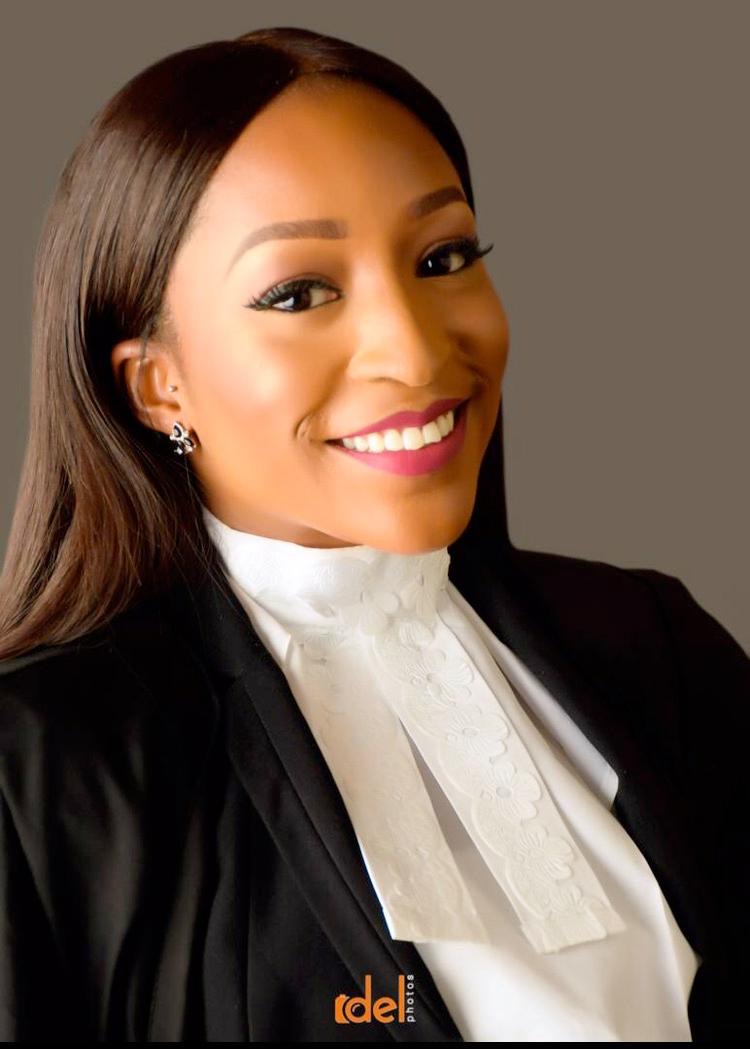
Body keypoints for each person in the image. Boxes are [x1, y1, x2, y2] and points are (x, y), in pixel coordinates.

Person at [0, 25, 748, 1043]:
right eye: (299, 293)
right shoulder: (47, 773)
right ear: (157, 385)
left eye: (443, 258)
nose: (417, 350)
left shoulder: (656, 648)